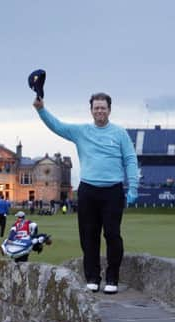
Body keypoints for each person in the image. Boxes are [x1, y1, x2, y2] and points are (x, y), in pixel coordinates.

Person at [33, 92, 138, 294]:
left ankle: (112, 278)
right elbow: (58, 126)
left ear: (109, 110)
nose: (100, 111)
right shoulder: (81, 131)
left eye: (103, 107)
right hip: (88, 189)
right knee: (88, 235)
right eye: (96, 107)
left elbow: (130, 160)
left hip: (113, 190)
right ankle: (92, 277)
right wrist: (41, 110)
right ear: (91, 110)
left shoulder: (119, 133)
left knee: (112, 235)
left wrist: (133, 186)